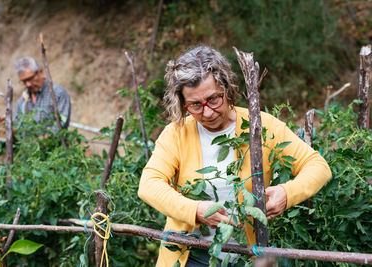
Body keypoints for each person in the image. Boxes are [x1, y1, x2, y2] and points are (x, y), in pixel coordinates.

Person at [138, 46, 331, 266]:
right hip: (190, 255)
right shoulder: (177, 133)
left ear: (227, 88)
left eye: (213, 99)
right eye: (195, 105)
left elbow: (318, 166)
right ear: (183, 103)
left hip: (249, 257)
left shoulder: (262, 125)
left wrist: (288, 193)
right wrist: (196, 211)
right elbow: (149, 185)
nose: (207, 112)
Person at [13, 56, 71, 134]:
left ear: (40, 72)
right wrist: (7, 126)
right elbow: (17, 129)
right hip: (29, 145)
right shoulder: (22, 101)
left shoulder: (57, 93)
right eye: (24, 81)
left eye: (30, 79)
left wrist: (45, 140)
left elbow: (62, 122)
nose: (28, 84)